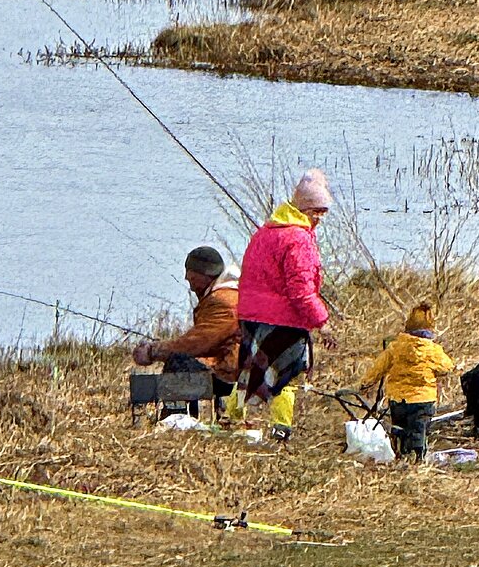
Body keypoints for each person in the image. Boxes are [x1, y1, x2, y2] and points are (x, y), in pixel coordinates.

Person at [235, 168, 336, 443]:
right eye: (317, 211)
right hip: (283, 321)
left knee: (250, 373)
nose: (319, 218)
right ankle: (281, 429)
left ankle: (232, 421)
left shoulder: (266, 232)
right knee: (286, 377)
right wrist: (321, 322)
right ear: (303, 208)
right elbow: (300, 290)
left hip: (251, 315)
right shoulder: (298, 239)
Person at [132, 246, 240, 420]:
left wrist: (153, 351)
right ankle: (185, 416)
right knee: (183, 360)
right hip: (229, 366)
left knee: (180, 361)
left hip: (229, 371)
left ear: (203, 274)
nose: (186, 279)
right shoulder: (225, 296)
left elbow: (194, 345)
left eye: (190, 273)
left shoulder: (223, 302)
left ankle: (175, 418)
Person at [360, 302, 455, 462]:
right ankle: (418, 460)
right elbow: (447, 367)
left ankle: (401, 456)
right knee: (419, 431)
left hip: (398, 399)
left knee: (400, 429)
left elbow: (378, 368)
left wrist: (365, 383)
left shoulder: (395, 347)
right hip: (423, 399)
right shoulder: (432, 350)